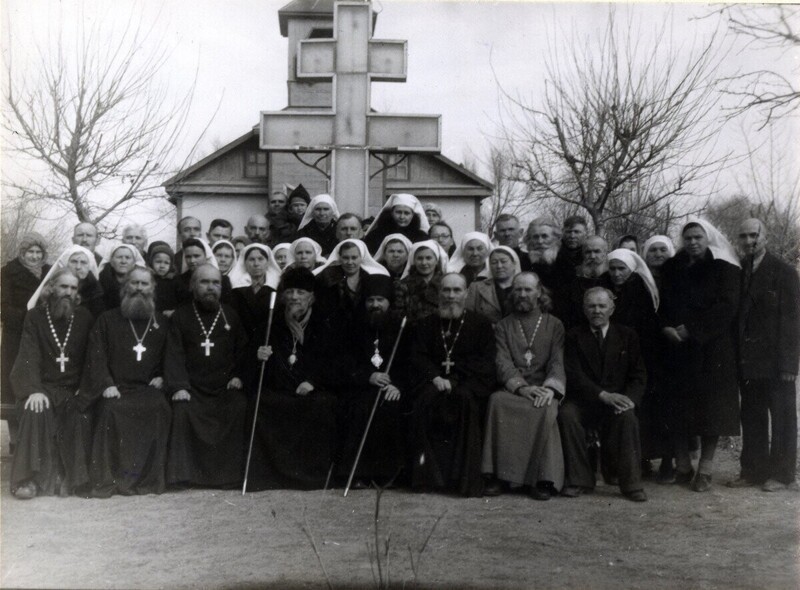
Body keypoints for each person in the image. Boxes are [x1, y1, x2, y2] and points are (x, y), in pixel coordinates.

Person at [658, 219, 740, 492]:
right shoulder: (672, 268)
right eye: (688, 238)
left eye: (698, 238)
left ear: (708, 239)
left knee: (711, 411)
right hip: (677, 349)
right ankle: (683, 464)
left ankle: (705, 468)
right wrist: (667, 327)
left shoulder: (724, 268)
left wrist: (692, 330)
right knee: (678, 407)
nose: (693, 242)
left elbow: (726, 308)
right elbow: (663, 303)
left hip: (711, 349)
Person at [246, 267, 341, 490]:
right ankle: (270, 476)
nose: (294, 297)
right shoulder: (271, 321)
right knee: (260, 403)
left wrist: (312, 382)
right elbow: (251, 358)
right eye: (289, 292)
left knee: (324, 405)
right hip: (278, 387)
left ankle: (313, 476)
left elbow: (333, 361)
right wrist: (258, 357)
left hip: (312, 388)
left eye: (300, 292)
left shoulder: (324, 322)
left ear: (312, 296)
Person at [80, 267, 171, 497]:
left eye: (144, 284)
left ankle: (149, 480)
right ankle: (111, 478)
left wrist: (163, 376)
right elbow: (96, 355)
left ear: (152, 288)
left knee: (160, 407)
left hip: (146, 388)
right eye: (135, 283)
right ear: (125, 287)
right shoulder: (107, 319)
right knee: (110, 409)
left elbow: (171, 355)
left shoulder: (160, 321)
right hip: (116, 388)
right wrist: (106, 383)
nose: (139, 288)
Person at [408, 273, 496, 497]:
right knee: (425, 400)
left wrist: (454, 379)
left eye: (457, 291)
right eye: (446, 290)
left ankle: (462, 480)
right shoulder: (427, 324)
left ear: (466, 293)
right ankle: (427, 478)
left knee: (464, 400)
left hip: (466, 382)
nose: (451, 296)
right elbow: (417, 356)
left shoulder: (481, 324)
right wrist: (435, 376)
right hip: (433, 381)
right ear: (439, 294)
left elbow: (483, 362)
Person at [9, 270, 94, 498]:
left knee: (79, 413)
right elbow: (28, 355)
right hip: (43, 388)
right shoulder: (35, 316)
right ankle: (30, 481)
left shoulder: (84, 317)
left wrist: (83, 389)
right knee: (35, 410)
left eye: (73, 288)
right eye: (63, 286)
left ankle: (70, 479)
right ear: (52, 288)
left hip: (72, 389)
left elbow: (92, 358)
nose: (68, 292)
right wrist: (33, 390)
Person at [729, 218, 800, 492]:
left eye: (754, 235)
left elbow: (793, 321)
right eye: (744, 236)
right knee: (752, 415)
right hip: (749, 361)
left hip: (776, 361)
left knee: (782, 416)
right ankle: (753, 471)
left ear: (766, 238)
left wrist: (789, 364)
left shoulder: (784, 272)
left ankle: (782, 475)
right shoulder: (740, 270)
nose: (749, 241)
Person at [482, 273, 566, 500]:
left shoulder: (554, 324)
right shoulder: (503, 325)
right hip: (517, 389)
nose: (522, 294)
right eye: (517, 290)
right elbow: (502, 361)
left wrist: (550, 389)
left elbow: (557, 361)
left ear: (539, 292)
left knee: (547, 407)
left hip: (543, 387)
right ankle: (500, 476)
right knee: (497, 401)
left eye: (528, 290)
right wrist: (521, 388)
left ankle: (543, 479)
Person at [559, 287, 648, 502]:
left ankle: (631, 484)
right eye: (591, 306)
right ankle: (579, 479)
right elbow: (573, 374)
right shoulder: (573, 335)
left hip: (616, 401)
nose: (596, 310)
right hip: (585, 400)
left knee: (628, 417)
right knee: (567, 415)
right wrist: (601, 395)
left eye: (602, 306)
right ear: (584, 309)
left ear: (612, 308)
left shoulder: (627, 335)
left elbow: (638, 374)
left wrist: (630, 401)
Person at [164, 264, 248, 488]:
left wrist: (239, 375)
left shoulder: (231, 315)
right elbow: (173, 354)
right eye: (204, 282)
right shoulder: (181, 316)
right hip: (192, 387)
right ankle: (185, 476)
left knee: (238, 405)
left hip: (223, 388)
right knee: (181, 410)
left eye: (215, 283)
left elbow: (243, 351)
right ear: (193, 286)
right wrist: (179, 386)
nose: (210, 287)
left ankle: (229, 477)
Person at [338, 274, 412, 487]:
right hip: (361, 387)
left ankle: (389, 474)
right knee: (359, 407)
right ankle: (358, 473)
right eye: (370, 300)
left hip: (393, 388)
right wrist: (367, 376)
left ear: (389, 302)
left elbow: (410, 362)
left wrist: (397, 384)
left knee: (390, 406)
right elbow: (344, 361)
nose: (375, 305)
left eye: (380, 300)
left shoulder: (403, 327)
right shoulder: (353, 326)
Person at [606, 248, 663, 478]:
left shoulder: (639, 290)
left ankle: (641, 460)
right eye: (613, 268)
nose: (617, 273)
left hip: (638, 354)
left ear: (631, 270)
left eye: (622, 269)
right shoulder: (608, 287)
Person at [2, 233, 51, 437]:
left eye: (38, 252)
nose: (34, 256)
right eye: (30, 251)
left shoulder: (49, 272)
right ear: (22, 253)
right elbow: (3, 306)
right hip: (17, 336)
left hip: (43, 334)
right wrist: (27, 317)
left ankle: (37, 438)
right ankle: (15, 439)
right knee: (14, 385)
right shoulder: (8, 272)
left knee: (39, 380)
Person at [228, 243, 282, 392]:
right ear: (244, 262)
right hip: (242, 343)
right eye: (251, 259)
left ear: (268, 262)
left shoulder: (277, 287)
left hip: (268, 344)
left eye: (260, 259)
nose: (256, 263)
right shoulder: (235, 288)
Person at [312, 239, 389, 322]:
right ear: (340, 258)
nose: (350, 262)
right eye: (345, 258)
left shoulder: (373, 277)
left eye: (354, 258)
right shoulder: (327, 276)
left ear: (361, 257)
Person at [27, 245, 105, 319]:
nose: (78, 267)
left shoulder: (96, 292)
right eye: (74, 262)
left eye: (83, 262)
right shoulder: (51, 288)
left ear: (90, 266)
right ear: (66, 264)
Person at [562, 236, 613, 328]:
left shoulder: (613, 277)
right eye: (588, 252)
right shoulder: (573, 277)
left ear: (605, 253)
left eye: (597, 251)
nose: (592, 256)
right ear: (583, 254)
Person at [465, 246, 521, 324]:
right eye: (494, 262)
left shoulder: (524, 286)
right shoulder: (476, 287)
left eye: (503, 261)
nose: (499, 266)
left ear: (514, 263)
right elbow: (468, 316)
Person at [519, 217, 573, 295]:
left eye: (544, 236)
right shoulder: (523, 262)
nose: (540, 241)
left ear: (555, 238)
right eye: (535, 237)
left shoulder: (566, 262)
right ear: (529, 240)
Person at [398, 240, 448, 322]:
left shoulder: (446, 283)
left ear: (436, 260)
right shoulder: (403, 285)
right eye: (419, 258)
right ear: (414, 261)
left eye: (428, 258)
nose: (424, 263)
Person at [363, 193, 430, 254]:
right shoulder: (375, 235)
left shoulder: (421, 237)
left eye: (406, 213)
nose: (402, 217)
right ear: (391, 213)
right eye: (398, 212)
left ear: (413, 215)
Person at [176, 238, 227, 304]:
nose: (192, 261)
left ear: (206, 256)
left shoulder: (223, 280)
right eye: (188, 257)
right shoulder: (179, 281)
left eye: (196, 256)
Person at [98, 244, 146, 310]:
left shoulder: (142, 285)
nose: (123, 261)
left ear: (134, 263)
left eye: (128, 258)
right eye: (119, 257)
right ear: (111, 262)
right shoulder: (100, 284)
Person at [147, 241, 180, 315]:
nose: (162, 266)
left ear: (171, 264)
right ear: (151, 262)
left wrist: (174, 312)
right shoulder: (148, 279)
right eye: (158, 262)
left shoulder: (175, 281)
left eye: (166, 263)